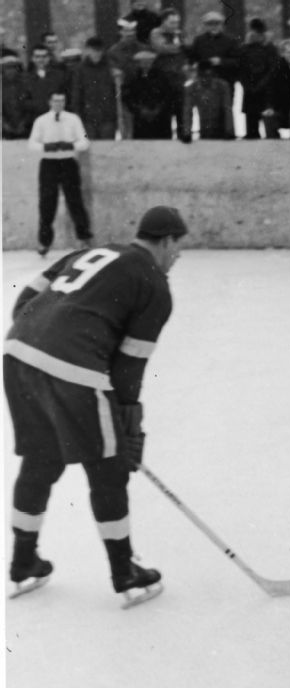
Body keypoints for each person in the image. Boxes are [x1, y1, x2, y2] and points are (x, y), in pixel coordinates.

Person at [4, 205, 188, 607]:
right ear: (167, 240)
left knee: (40, 460)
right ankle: (125, 572)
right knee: (108, 470)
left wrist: (46, 332)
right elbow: (128, 368)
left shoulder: (91, 253)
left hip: (17, 354)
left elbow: (26, 301)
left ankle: (22, 562)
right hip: (73, 369)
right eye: (178, 247)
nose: (178, 256)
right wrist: (130, 430)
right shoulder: (154, 284)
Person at [27, 91, 93, 256]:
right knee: (47, 203)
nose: (59, 104)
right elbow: (32, 143)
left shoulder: (73, 119)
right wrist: (46, 147)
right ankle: (44, 242)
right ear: (50, 102)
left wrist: (70, 146)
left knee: (75, 201)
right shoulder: (41, 121)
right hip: (49, 164)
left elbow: (85, 141)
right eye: (56, 101)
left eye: (62, 101)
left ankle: (83, 238)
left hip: (68, 163)